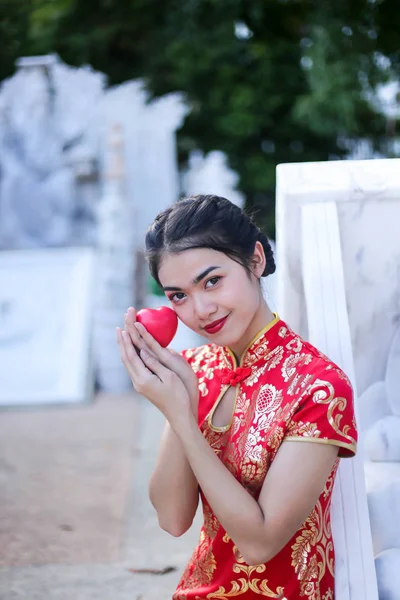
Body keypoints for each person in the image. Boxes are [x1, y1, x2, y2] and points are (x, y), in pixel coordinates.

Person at [116, 194, 357, 600]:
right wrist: (181, 407)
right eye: (178, 296)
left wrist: (184, 419)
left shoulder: (318, 387)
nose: (202, 309)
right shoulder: (194, 370)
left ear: (256, 260)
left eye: (212, 281)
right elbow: (172, 519)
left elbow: (261, 544)